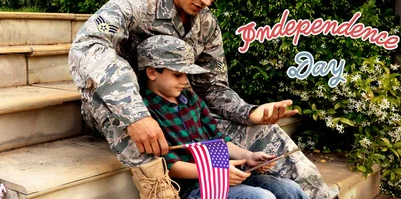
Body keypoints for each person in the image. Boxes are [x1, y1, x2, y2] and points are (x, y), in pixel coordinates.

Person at [68, 0, 337, 198]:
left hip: (177, 103)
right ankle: (161, 189)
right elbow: (87, 49)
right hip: (121, 104)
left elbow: (212, 87)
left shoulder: (205, 24)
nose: (207, 2)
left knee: (269, 141)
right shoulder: (131, 7)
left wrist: (248, 113)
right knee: (127, 116)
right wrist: (135, 114)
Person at [137, 35, 309, 199]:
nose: (185, 81)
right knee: (261, 197)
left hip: (224, 173)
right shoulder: (146, 115)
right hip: (193, 186)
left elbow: (218, 140)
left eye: (187, 74)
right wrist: (214, 173)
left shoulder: (192, 100)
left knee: (289, 189)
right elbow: (166, 165)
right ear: (152, 73)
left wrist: (249, 156)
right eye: (177, 74)